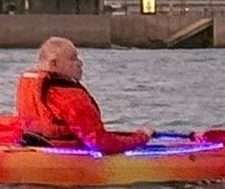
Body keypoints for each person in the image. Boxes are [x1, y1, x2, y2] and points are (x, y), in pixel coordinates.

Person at [14, 36, 149, 154]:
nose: (80, 63)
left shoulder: (29, 85)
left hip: (35, 143)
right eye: (73, 59)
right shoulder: (70, 97)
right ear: (54, 64)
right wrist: (141, 138)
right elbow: (99, 142)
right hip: (62, 152)